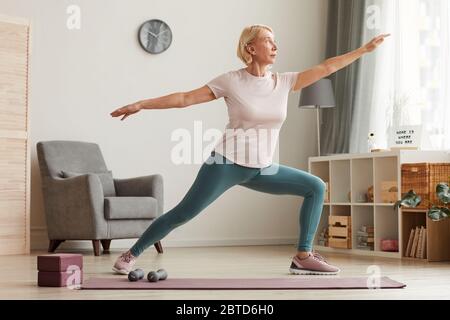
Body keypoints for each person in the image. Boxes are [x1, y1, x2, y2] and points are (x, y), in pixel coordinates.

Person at [110, 24, 389, 275]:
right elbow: (185, 98)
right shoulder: (231, 81)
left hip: (262, 168)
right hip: (225, 164)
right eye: (268, 40)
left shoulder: (285, 82)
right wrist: (141, 104)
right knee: (184, 213)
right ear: (250, 48)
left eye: (275, 40)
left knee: (315, 186)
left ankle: (303, 256)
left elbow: (327, 67)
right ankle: (130, 254)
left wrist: (364, 49)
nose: (275, 46)